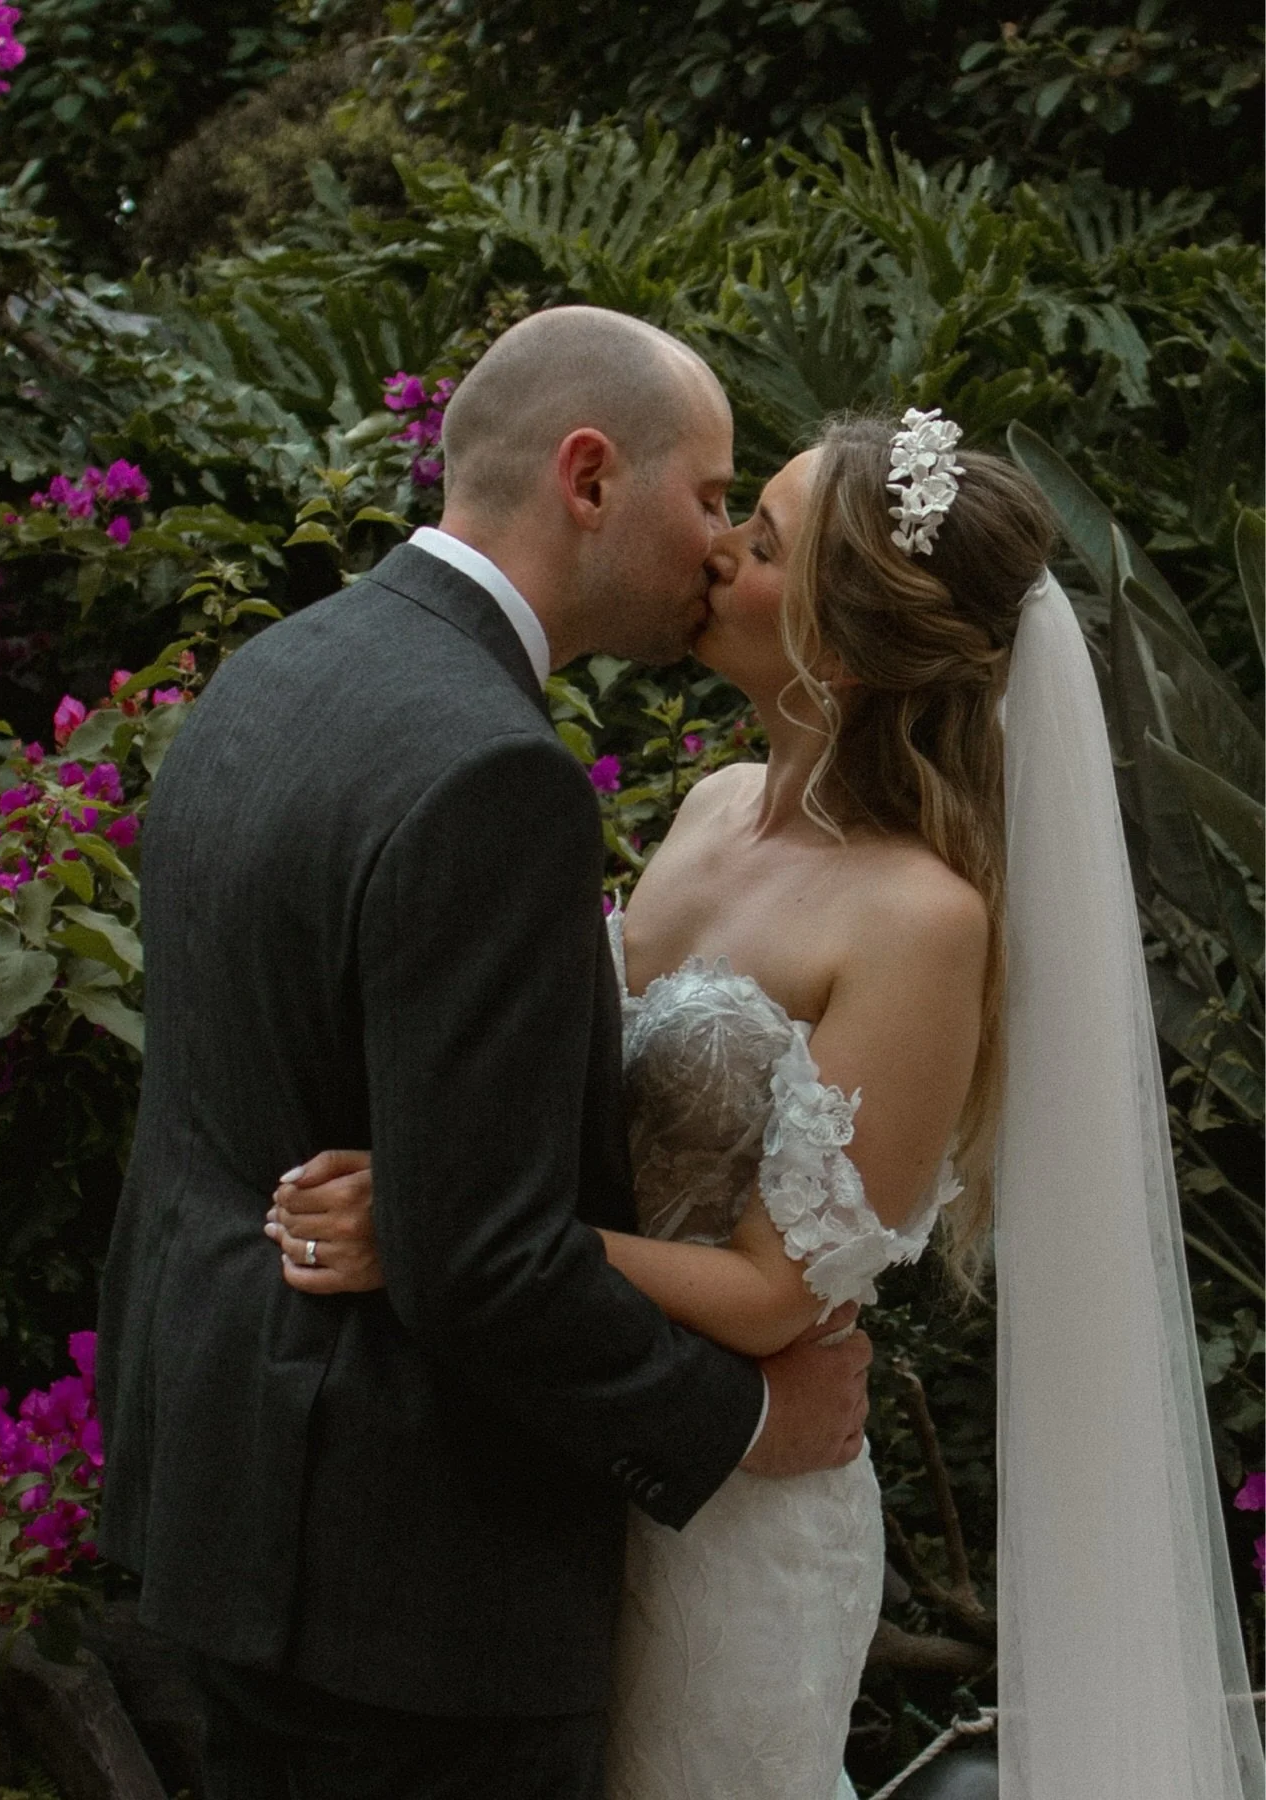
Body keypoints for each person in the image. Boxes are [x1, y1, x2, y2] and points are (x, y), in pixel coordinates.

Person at [276, 408, 1263, 1799]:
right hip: (583, 1440)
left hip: (736, 1520)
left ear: (844, 650)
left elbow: (768, 1296)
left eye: (761, 542)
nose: (714, 555)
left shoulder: (921, 920)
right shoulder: (712, 806)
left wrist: (442, 1227)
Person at [93, 305, 875, 1800]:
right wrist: (748, 1422)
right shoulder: (495, 772)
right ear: (590, 476)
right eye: (710, 495)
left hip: (231, 1498)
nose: (720, 546)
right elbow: (488, 1261)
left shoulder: (277, 672)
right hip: (416, 1587)